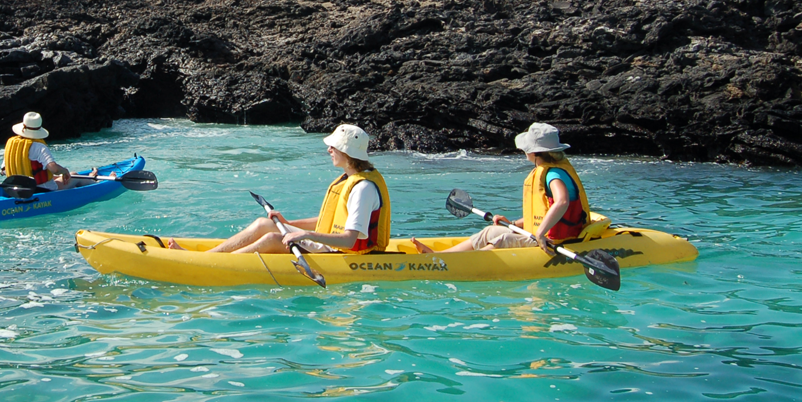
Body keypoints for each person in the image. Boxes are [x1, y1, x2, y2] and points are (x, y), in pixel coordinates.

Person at [170, 124, 391, 255]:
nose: (329, 150)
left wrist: (304, 235)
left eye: (333, 147)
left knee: (273, 239)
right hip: (330, 246)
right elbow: (330, 221)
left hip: (340, 253)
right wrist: (290, 223)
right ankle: (208, 257)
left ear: (347, 152)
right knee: (263, 224)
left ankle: (211, 265)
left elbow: (349, 240)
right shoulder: (349, 178)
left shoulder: (363, 188)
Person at [415, 122, 589, 255]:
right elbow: (542, 213)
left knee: (503, 238)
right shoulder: (548, 170)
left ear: (535, 153)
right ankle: (440, 256)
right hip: (542, 235)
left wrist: (541, 234)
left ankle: (454, 265)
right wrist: (513, 224)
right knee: (490, 231)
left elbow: (562, 201)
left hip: (554, 240)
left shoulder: (553, 175)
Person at [3, 112, 86, 191]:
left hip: (17, 188)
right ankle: (96, 183)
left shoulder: (12, 144)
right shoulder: (39, 146)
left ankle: (91, 177)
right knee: (74, 175)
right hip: (41, 189)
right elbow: (55, 169)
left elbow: (4, 170)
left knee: (56, 177)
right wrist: (65, 171)